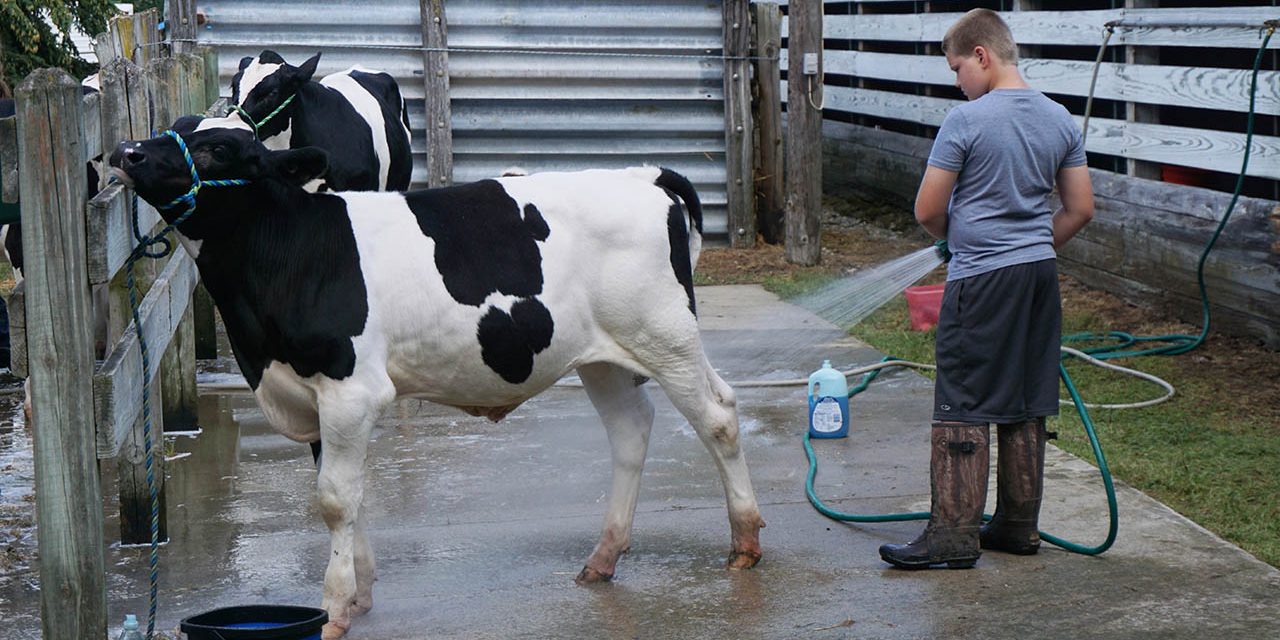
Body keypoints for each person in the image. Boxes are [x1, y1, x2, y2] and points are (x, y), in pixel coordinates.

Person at [879, 8, 1095, 569]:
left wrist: (961, 242)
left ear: (981, 55)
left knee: (964, 399)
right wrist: (1031, 245)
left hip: (982, 279)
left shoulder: (966, 121)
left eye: (957, 69)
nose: (958, 82)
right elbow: (1080, 208)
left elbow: (928, 210)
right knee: (1025, 397)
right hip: (1039, 276)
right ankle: (1018, 527)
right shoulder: (1060, 118)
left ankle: (952, 536)